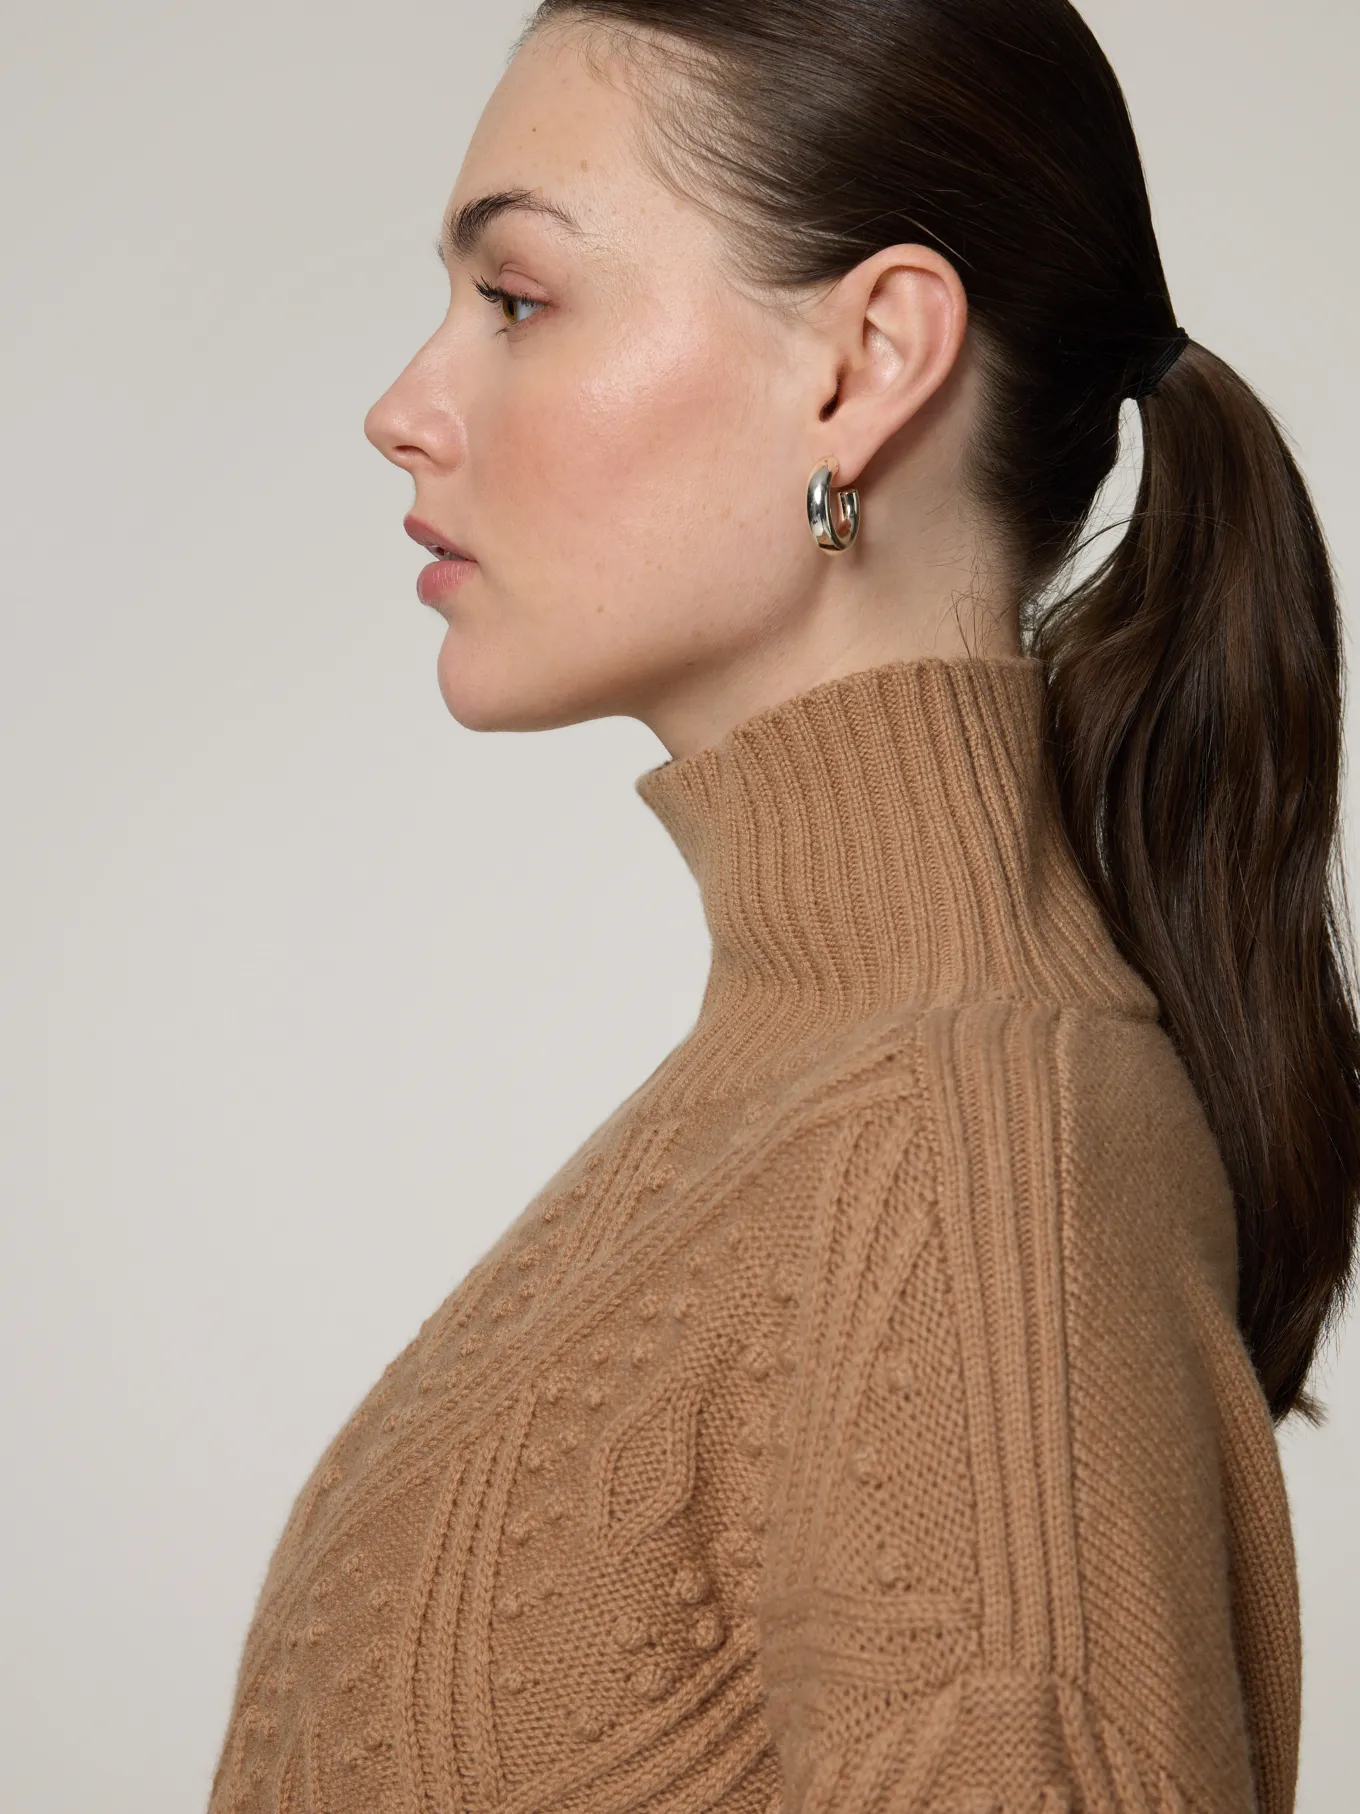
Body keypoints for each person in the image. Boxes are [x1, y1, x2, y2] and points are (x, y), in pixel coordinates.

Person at [208, 4, 1360, 1811]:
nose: (404, 409)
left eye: (516, 298)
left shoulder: (972, 1161)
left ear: (866, 363)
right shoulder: (832, 1097)